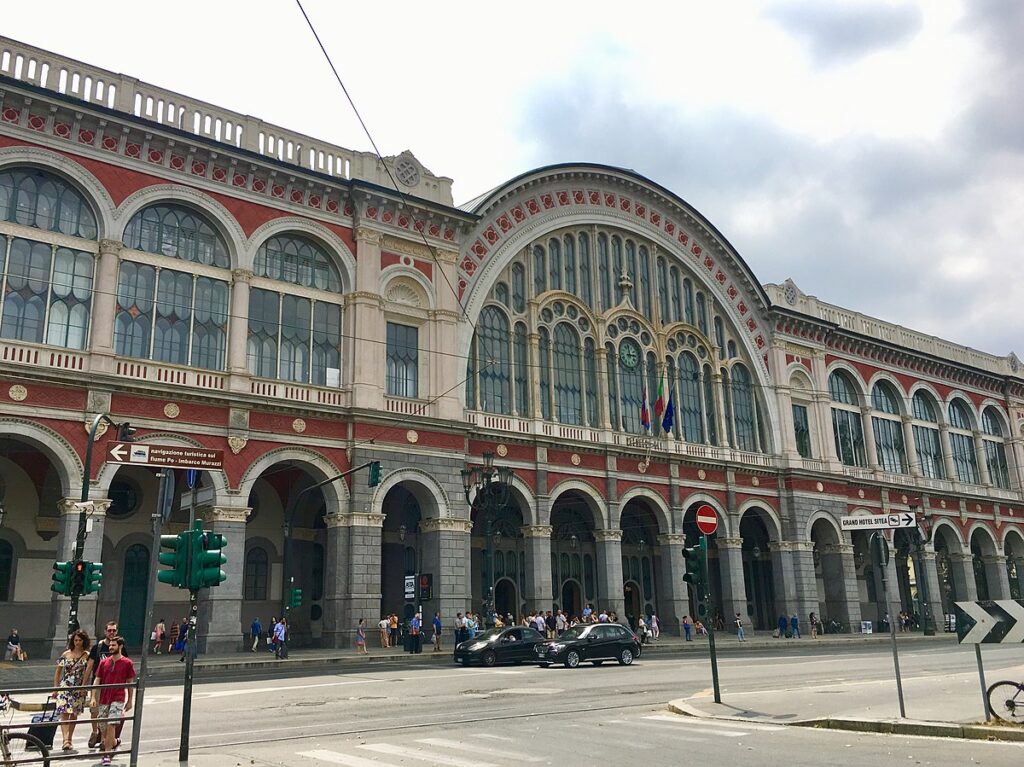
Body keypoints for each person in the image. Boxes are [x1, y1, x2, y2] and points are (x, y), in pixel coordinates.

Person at [90, 635, 135, 767]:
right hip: (104, 698)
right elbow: (97, 679)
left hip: (118, 698)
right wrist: (93, 697)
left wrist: (130, 700)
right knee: (103, 727)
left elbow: (130, 683)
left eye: (113, 645)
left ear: (120, 646)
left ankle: (107, 754)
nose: (110, 647)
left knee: (111, 724)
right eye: (110, 645)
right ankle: (114, 742)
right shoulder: (104, 662)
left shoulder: (127, 663)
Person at [52, 629, 93, 754]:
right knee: (64, 712)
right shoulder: (66, 654)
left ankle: (70, 738)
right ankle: (65, 740)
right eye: (75, 640)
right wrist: (55, 688)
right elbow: (58, 672)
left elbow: (88, 673)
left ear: (84, 641)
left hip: (78, 688)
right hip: (65, 687)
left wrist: (84, 688)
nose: (77, 642)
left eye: (80, 640)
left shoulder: (87, 655)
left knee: (74, 714)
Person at [87, 621, 119, 750]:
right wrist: (84, 686)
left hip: (112, 686)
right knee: (95, 710)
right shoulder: (98, 647)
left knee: (106, 713)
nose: (111, 633)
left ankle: (105, 739)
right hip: (98, 684)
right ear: (105, 632)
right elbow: (89, 666)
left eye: (114, 630)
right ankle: (95, 732)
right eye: (109, 630)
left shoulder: (119, 647)